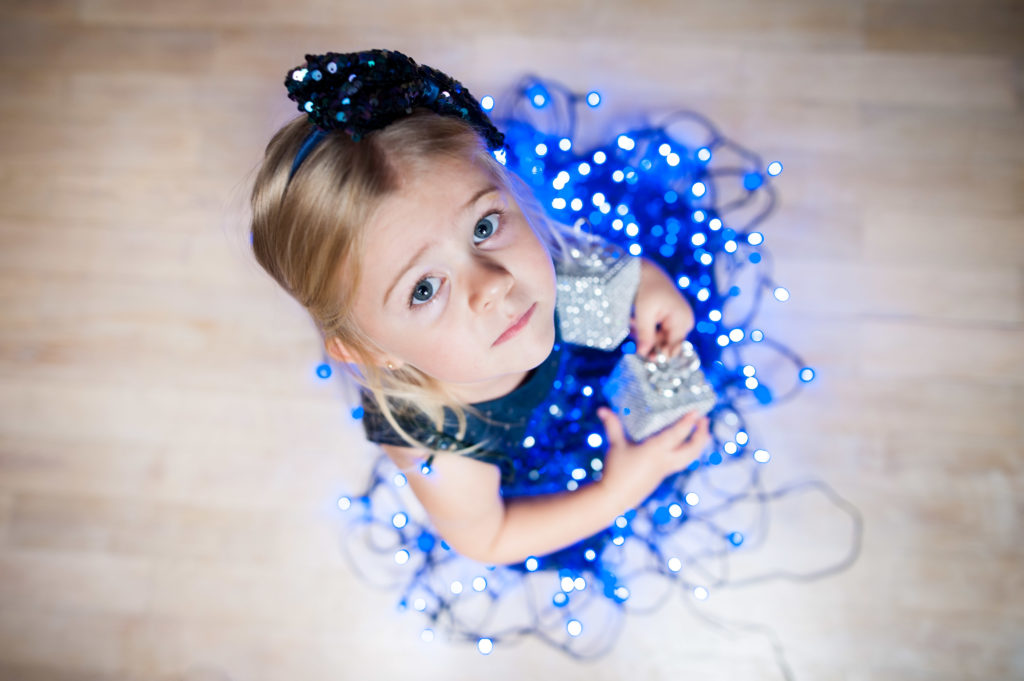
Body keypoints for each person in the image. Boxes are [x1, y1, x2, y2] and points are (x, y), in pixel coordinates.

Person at [250, 48, 712, 568]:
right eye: (424, 289)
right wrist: (618, 492)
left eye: (484, 227)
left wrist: (642, 282)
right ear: (370, 351)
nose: (491, 284)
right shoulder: (439, 447)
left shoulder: (534, 273)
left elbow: (575, 261)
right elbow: (487, 540)